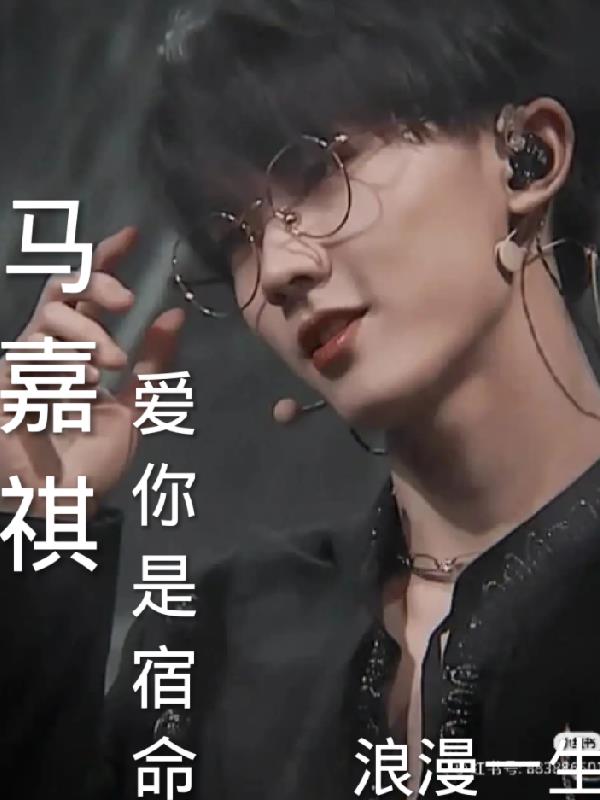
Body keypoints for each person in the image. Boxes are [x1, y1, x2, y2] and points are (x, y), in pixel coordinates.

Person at [2, 0, 600, 797]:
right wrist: (42, 528)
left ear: (527, 156)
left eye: (322, 171)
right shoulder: (209, 651)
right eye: (236, 238)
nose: (278, 269)